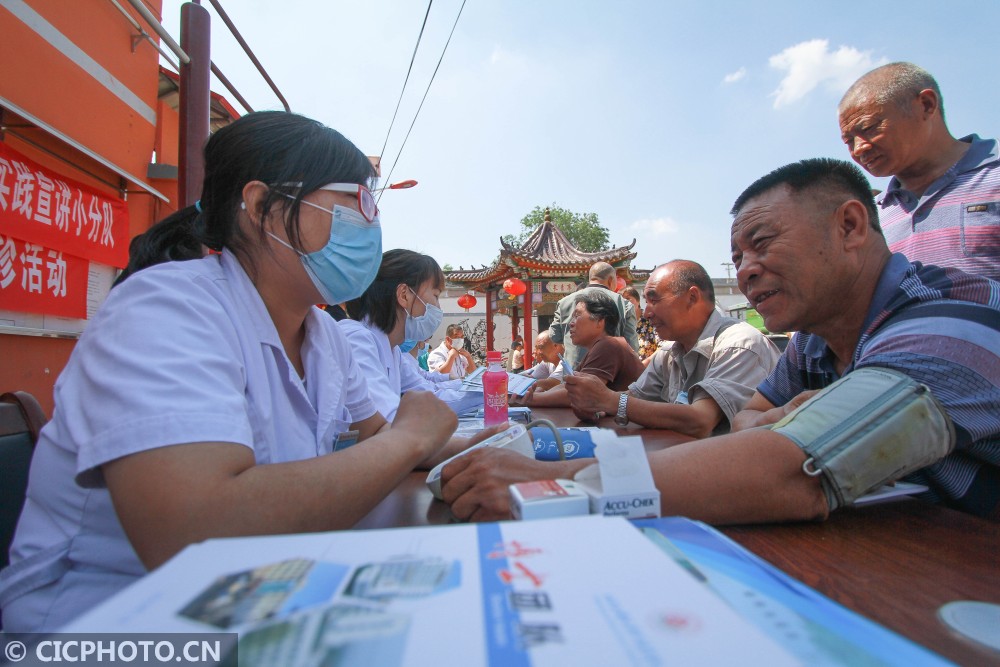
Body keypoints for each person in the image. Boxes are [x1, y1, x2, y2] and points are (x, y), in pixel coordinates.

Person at [0, 111, 458, 632]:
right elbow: (194, 533)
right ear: (262, 207)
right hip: (106, 624)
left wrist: (498, 443)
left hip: (251, 599)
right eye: (354, 206)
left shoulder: (324, 334)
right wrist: (409, 442)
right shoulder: (167, 307)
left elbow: (384, 432)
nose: (370, 229)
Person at [440, 158, 1000, 525]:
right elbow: (754, 421)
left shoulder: (948, 324)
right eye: (737, 259)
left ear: (850, 226)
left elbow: (788, 470)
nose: (749, 271)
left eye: (762, 244)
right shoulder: (813, 341)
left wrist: (555, 482)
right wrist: (784, 429)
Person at [565, 260, 780, 437]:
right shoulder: (670, 352)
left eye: (654, 300)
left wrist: (608, 400)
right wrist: (596, 404)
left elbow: (701, 420)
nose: (647, 313)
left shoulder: (738, 344)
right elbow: (634, 398)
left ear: (692, 297)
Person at [839, 62, 1000, 280]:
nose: (859, 149)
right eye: (849, 141)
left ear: (926, 104)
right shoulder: (872, 217)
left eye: (868, 128)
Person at [341, 249, 484, 424]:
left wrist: (495, 389)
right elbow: (385, 418)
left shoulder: (393, 352)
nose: (438, 307)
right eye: (436, 296)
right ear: (404, 295)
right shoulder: (356, 339)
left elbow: (431, 394)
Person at [522, 291, 644, 408]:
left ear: (600, 321)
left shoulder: (608, 346)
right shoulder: (599, 347)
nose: (571, 323)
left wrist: (530, 399)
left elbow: (581, 393)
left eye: (577, 316)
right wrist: (540, 393)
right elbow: (569, 386)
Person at [548, 262, 638, 368]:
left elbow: (554, 336)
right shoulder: (624, 304)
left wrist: (573, 343)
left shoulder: (564, 302)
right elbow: (632, 346)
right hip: (609, 373)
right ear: (610, 280)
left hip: (573, 372)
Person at [621, 285, 660, 364]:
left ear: (638, 301)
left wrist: (645, 365)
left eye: (627, 299)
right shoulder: (620, 324)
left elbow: (663, 347)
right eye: (621, 300)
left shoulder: (650, 320)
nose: (624, 302)